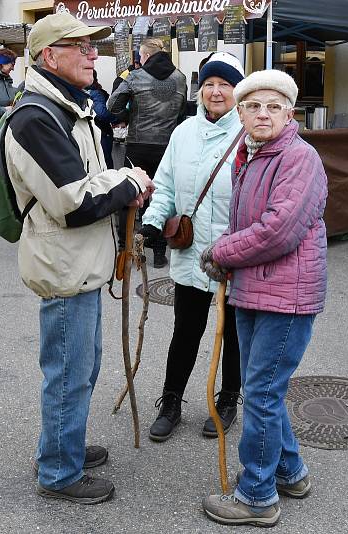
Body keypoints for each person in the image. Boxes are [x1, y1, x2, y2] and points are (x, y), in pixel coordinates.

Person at [5, 13, 154, 505]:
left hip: (81, 264)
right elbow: (75, 203)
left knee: (81, 369)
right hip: (65, 267)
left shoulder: (68, 106)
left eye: (94, 47)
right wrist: (128, 183)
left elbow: (92, 179)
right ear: (50, 56)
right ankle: (58, 471)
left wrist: (117, 181)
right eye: (83, 48)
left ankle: (62, 445)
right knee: (69, 374)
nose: (95, 55)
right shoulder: (35, 117)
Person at [200, 70, 328, 527]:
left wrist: (221, 251)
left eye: (274, 106)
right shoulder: (249, 154)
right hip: (254, 289)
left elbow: (280, 229)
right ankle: (290, 472)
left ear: (290, 113)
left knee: (261, 394)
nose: (263, 114)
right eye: (253, 106)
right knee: (264, 391)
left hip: (286, 296)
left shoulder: (299, 157)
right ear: (239, 113)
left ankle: (256, 496)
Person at [138, 53, 246, 442]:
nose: (216, 91)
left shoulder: (250, 134)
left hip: (236, 256)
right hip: (190, 253)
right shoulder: (183, 132)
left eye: (225, 84)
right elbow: (165, 183)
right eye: (210, 84)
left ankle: (229, 398)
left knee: (233, 333)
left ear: (238, 90)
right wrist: (152, 221)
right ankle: (171, 401)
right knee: (185, 330)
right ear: (200, 89)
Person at [108, 38, 187, 268]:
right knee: (161, 196)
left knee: (130, 195)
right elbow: (181, 111)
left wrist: (128, 113)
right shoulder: (180, 78)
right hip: (167, 145)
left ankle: (125, 249)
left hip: (138, 144)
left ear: (144, 56)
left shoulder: (135, 76)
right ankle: (160, 252)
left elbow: (112, 106)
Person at [88, 70, 118, 168]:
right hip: (102, 132)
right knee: (106, 161)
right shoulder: (96, 93)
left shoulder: (79, 91)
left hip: (89, 132)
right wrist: (116, 119)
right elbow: (102, 113)